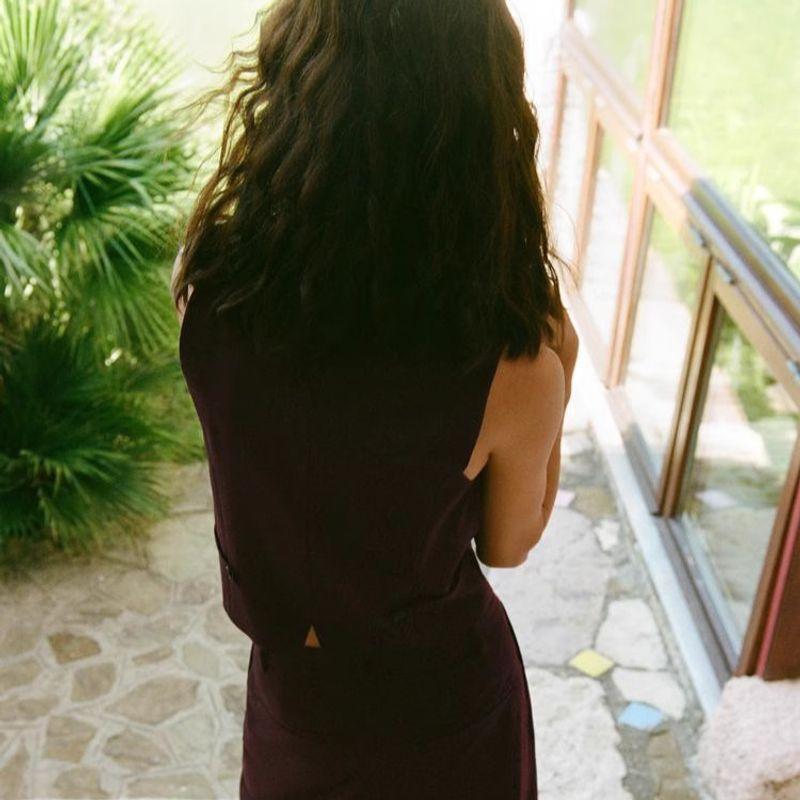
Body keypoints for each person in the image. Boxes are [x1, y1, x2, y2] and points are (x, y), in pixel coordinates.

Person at [172, 0, 578, 797]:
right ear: (483, 118)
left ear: (296, 90)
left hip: (295, 706)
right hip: (446, 721)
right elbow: (508, 544)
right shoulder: (513, 361)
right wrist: (562, 370)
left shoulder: (207, 288)